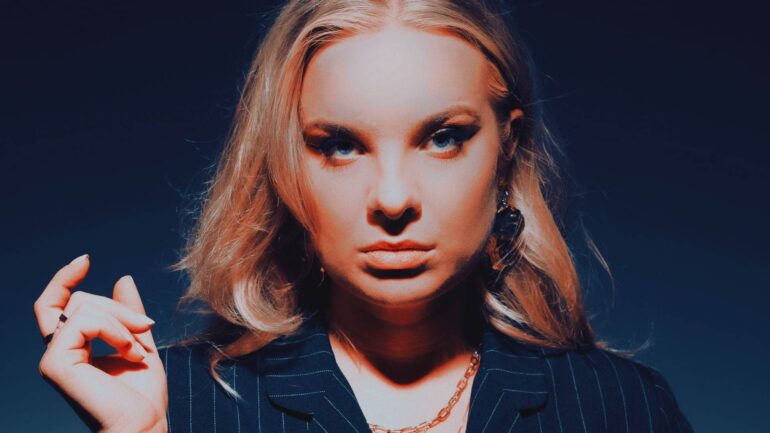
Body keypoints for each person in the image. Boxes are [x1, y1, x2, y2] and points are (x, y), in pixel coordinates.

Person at [33, 1, 694, 432]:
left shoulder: (621, 408)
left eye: (442, 136)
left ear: (508, 150)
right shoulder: (181, 404)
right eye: (341, 144)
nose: (393, 198)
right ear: (287, 168)